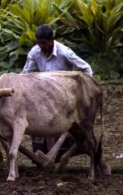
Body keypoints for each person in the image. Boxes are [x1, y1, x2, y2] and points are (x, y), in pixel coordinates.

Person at [22, 24, 93, 159]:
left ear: (51, 40)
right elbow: (25, 74)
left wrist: (86, 91)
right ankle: (44, 155)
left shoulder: (64, 52)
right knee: (37, 121)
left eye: (44, 43)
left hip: (63, 95)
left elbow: (86, 68)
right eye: (39, 43)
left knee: (67, 127)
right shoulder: (35, 52)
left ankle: (72, 152)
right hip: (44, 94)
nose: (42, 46)